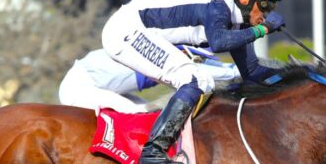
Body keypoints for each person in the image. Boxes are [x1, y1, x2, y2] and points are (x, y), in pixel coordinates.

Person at [101, 0, 287, 164]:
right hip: (125, 30)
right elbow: (218, 42)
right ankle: (153, 152)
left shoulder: (240, 19)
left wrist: (301, 77)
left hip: (136, 29)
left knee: (200, 79)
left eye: (274, 5)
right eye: (266, 5)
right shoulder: (218, 6)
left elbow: (252, 72)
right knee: (196, 79)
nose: (269, 13)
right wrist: (262, 30)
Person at [59, 47, 240, 113]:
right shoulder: (160, 54)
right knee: (138, 113)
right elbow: (199, 72)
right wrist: (238, 72)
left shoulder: (167, 45)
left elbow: (210, 65)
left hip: (94, 79)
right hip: (78, 89)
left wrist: (235, 71)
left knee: (152, 115)